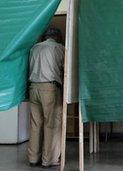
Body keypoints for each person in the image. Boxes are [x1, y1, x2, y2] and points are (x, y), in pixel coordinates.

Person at [28, 27, 64, 168]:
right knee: (52, 124)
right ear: (57, 37)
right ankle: (49, 160)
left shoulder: (34, 48)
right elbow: (65, 68)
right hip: (49, 88)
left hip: (33, 88)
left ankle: (33, 159)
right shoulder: (59, 48)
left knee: (35, 125)